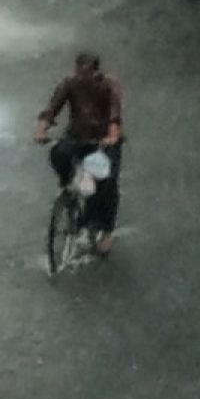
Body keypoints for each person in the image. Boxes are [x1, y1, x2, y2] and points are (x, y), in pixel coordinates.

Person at [33, 52, 124, 255]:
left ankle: (106, 231)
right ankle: (71, 185)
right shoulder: (69, 84)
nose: (82, 77)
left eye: (87, 73)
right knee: (58, 153)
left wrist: (112, 135)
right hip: (76, 137)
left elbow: (114, 114)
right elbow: (51, 108)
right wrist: (41, 129)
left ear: (96, 72)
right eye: (79, 72)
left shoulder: (109, 85)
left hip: (102, 141)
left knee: (107, 183)